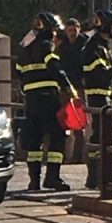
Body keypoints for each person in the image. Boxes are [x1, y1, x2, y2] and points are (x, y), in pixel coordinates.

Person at [15, 10, 75, 192]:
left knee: (34, 140)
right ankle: (52, 178)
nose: (56, 34)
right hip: (48, 98)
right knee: (57, 135)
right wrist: (68, 87)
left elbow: (18, 71)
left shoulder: (25, 49)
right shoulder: (46, 45)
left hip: (31, 101)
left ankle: (34, 182)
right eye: (55, 30)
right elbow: (54, 66)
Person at [81, 9, 112, 190]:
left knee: (101, 137)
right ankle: (98, 178)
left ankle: (98, 178)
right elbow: (101, 76)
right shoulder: (95, 47)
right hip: (98, 98)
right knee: (101, 137)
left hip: (102, 96)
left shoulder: (100, 45)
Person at [57, 19, 86, 162]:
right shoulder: (63, 46)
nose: (72, 32)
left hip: (79, 86)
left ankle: (77, 155)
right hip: (65, 86)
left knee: (78, 121)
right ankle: (62, 153)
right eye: (69, 29)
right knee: (63, 119)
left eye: (74, 29)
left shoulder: (85, 44)